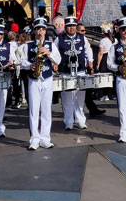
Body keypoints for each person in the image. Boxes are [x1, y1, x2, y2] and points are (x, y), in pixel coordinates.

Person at [20, 18, 61, 150]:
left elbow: (58, 60)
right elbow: (21, 62)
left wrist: (48, 53)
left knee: (46, 109)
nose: (40, 31)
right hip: (34, 79)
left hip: (47, 78)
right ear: (34, 30)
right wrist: (29, 65)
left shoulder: (51, 44)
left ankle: (45, 138)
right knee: (33, 109)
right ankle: (34, 139)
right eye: (38, 29)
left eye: (42, 29)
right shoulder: (28, 45)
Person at [56, 15, 92, 130]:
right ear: (65, 27)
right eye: (69, 26)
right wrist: (54, 63)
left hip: (80, 70)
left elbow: (88, 50)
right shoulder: (59, 38)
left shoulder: (82, 38)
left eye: (73, 26)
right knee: (67, 98)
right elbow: (55, 51)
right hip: (66, 72)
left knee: (80, 97)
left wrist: (90, 62)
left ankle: (80, 120)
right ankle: (68, 121)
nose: (71, 28)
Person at [78, 24, 106, 116]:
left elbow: (88, 51)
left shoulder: (84, 39)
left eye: (84, 30)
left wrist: (90, 64)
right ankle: (78, 112)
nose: (84, 32)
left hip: (85, 68)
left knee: (88, 90)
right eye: (82, 31)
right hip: (76, 68)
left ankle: (92, 109)